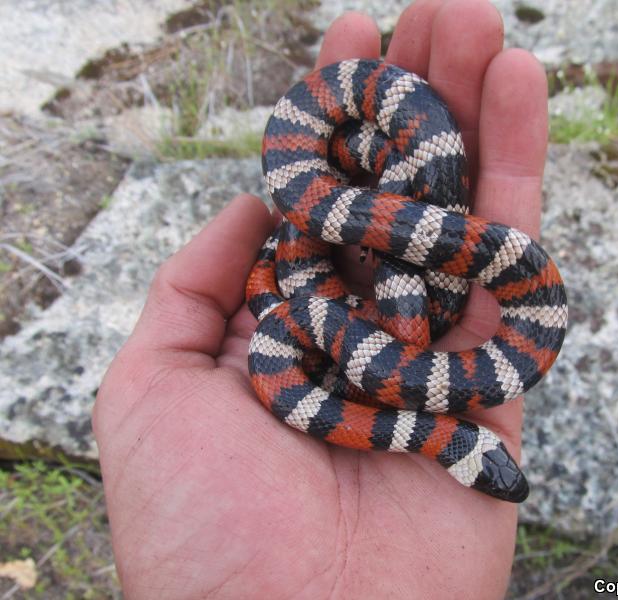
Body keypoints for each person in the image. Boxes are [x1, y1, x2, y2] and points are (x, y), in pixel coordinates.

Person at [93, 0, 550, 597]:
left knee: (395, 296)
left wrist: (310, 276)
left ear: (472, 451)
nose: (503, 480)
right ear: (467, 447)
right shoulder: (412, 400)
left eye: (492, 473)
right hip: (340, 303)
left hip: (326, 312)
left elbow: (387, 356)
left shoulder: (328, 369)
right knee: (402, 303)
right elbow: (397, 353)